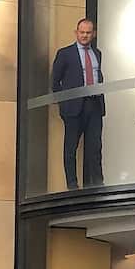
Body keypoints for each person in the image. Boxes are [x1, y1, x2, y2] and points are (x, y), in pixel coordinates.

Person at [51, 18, 105, 190]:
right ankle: (72, 186)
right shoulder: (65, 53)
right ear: (76, 33)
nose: (85, 35)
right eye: (82, 32)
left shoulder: (97, 53)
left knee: (95, 147)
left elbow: (98, 76)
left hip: (94, 105)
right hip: (74, 107)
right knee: (70, 147)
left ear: (93, 34)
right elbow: (55, 81)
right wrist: (63, 103)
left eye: (88, 32)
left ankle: (97, 184)